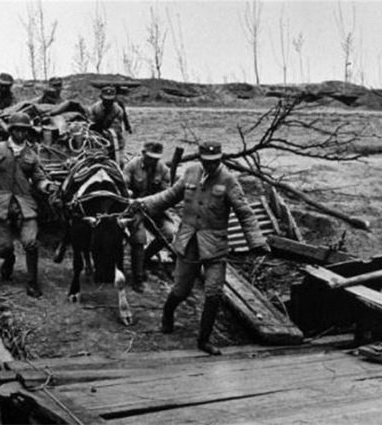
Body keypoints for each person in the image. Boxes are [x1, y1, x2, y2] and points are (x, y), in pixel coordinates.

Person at [131, 141, 271, 355]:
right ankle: (167, 315)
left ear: (221, 160)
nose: (210, 166)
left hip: (215, 246)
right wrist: (142, 203)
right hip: (188, 243)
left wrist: (257, 242)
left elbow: (245, 213)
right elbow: (168, 197)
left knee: (214, 292)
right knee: (181, 290)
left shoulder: (229, 181)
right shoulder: (190, 172)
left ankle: (204, 340)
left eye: (215, 162)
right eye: (206, 161)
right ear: (200, 159)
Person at [0, 112, 58, 298]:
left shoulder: (31, 155)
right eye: (17, 130)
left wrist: (46, 186)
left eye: (24, 130)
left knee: (31, 243)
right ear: (11, 130)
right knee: (2, 248)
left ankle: (32, 282)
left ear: (28, 132)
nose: (20, 134)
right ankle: (8, 260)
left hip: (24, 204)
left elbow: (39, 177)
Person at [122, 142, 175, 291]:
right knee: (139, 239)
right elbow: (123, 189)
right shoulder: (132, 166)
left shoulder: (163, 170)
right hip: (134, 210)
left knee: (169, 233)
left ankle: (144, 258)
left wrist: (151, 208)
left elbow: (166, 196)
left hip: (155, 210)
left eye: (156, 158)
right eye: (150, 157)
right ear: (143, 153)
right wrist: (131, 201)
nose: (153, 161)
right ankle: (137, 277)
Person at [89, 86, 125, 163]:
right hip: (96, 139)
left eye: (111, 100)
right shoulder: (94, 108)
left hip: (115, 141)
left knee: (120, 162)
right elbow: (90, 124)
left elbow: (115, 130)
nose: (108, 102)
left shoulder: (118, 110)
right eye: (106, 100)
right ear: (101, 97)